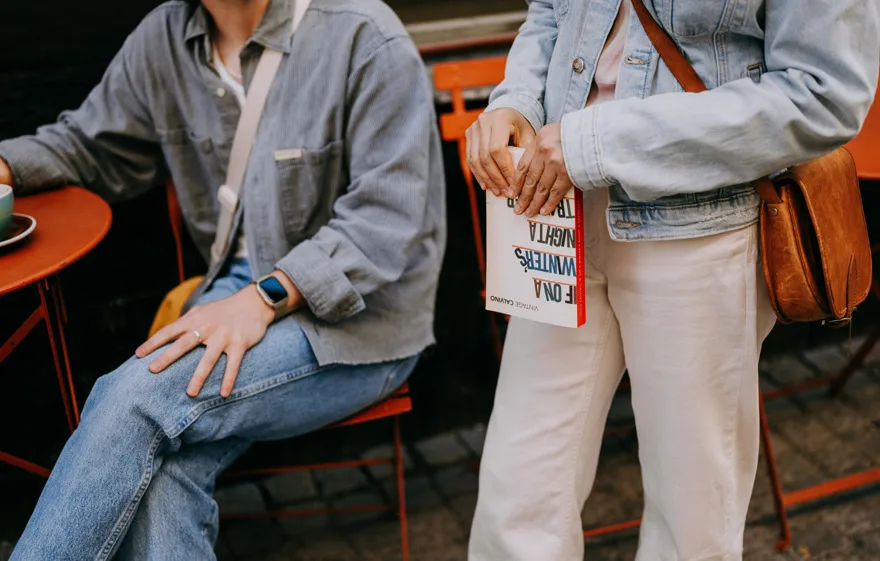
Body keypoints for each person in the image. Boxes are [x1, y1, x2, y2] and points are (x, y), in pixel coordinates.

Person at [0, 0, 445, 558]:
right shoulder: (165, 38)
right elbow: (90, 145)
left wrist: (264, 296)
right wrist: (5, 166)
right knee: (164, 471)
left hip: (358, 323)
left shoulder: (363, 34)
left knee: (136, 394)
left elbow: (386, 222)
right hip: (231, 297)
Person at [466, 0, 878, 559]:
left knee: (690, 518)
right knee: (515, 496)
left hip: (696, 228)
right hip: (554, 215)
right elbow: (551, 13)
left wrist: (595, 143)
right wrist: (515, 101)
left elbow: (824, 93)